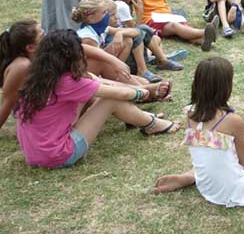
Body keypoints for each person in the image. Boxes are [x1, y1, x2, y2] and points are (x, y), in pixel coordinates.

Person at [14, 30, 180, 168]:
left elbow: (95, 84)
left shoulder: (38, 76)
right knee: (110, 100)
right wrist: (139, 94)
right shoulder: (68, 82)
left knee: (93, 81)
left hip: (35, 154)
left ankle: (139, 114)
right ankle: (151, 124)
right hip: (58, 155)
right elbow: (118, 95)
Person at [152, 57, 244, 206]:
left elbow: (208, 144)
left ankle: (192, 176)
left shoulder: (190, 112)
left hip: (206, 186)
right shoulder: (233, 121)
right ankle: (194, 175)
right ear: (226, 86)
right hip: (233, 190)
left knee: (221, 148)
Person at [71, 0, 159, 84]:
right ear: (91, 18)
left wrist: (119, 33)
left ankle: (123, 75)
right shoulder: (88, 38)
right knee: (143, 85)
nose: (107, 15)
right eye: (104, 13)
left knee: (127, 39)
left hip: (104, 68)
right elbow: (100, 63)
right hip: (91, 78)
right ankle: (126, 80)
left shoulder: (99, 29)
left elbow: (136, 32)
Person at [109, 0, 186, 71]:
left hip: (125, 40)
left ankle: (155, 58)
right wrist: (140, 12)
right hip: (122, 44)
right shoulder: (122, 6)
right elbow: (136, 31)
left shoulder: (120, 4)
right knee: (145, 29)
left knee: (155, 39)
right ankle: (162, 60)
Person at [0, 20, 43, 131]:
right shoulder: (22, 66)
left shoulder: (39, 56)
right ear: (30, 48)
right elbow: (7, 103)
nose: (47, 36)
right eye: (42, 35)